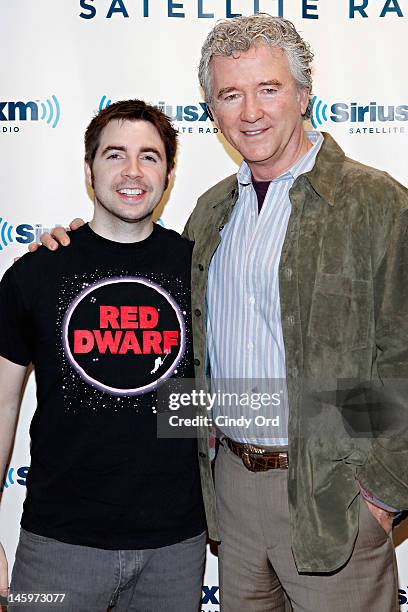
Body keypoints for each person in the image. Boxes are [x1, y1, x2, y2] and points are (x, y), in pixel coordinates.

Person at [33, 14, 408, 612]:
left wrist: (377, 491)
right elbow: (150, 302)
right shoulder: (211, 214)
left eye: (268, 89)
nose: (250, 111)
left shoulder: (375, 202)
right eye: (230, 95)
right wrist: (70, 246)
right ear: (212, 111)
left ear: (304, 95)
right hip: (229, 494)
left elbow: (400, 354)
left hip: (331, 496)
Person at [0, 99, 206, 612]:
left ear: (170, 173)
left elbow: (215, 394)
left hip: (175, 549)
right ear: (89, 170)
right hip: (58, 545)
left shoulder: (201, 271)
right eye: (115, 155)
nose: (132, 172)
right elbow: (2, 406)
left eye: (150, 157)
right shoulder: (36, 273)